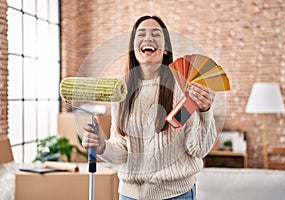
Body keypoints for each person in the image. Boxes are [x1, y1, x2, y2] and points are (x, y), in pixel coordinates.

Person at [82, 15, 217, 200]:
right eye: (141, 34)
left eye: (156, 34)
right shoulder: (121, 91)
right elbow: (122, 152)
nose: (148, 38)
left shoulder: (182, 87)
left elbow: (198, 149)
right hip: (129, 195)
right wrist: (102, 146)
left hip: (176, 195)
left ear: (165, 48)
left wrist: (205, 112)